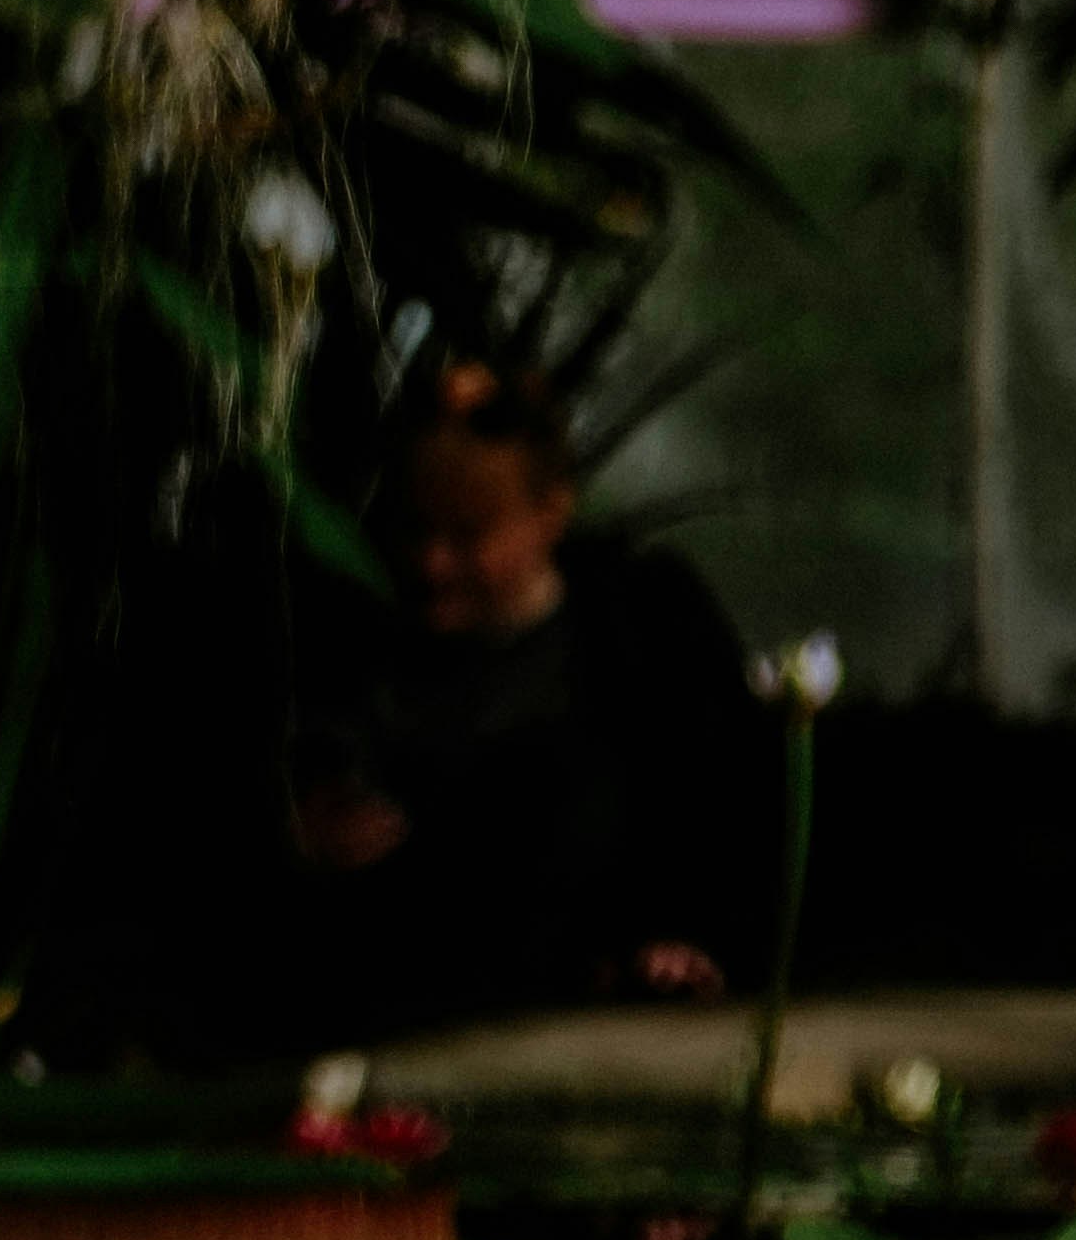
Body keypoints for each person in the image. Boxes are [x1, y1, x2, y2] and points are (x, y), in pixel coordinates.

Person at [275, 368, 768, 1039]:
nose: (433, 564)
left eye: (468, 536)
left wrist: (677, 937)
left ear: (550, 512)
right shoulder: (353, 645)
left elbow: (728, 805)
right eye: (417, 532)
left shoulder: (647, 633)